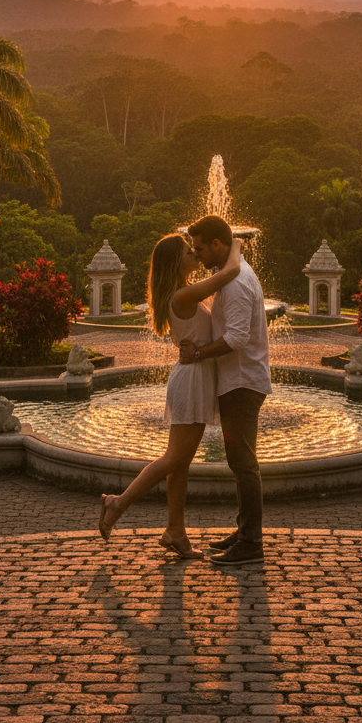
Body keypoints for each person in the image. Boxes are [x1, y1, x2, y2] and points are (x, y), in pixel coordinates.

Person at [98, 232, 243, 557]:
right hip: (191, 380)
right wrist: (236, 244)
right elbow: (230, 272)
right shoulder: (183, 296)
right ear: (176, 261)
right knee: (175, 458)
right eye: (188, 251)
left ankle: (175, 531)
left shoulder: (182, 293)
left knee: (181, 462)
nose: (195, 253)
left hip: (193, 377)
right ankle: (116, 504)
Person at [180, 214, 272, 565]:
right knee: (240, 462)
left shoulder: (234, 283)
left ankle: (251, 543)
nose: (198, 254)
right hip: (241, 381)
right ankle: (244, 531)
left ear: (218, 245)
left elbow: (236, 338)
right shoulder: (234, 273)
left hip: (242, 383)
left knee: (243, 463)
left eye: (201, 248)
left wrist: (198, 354)